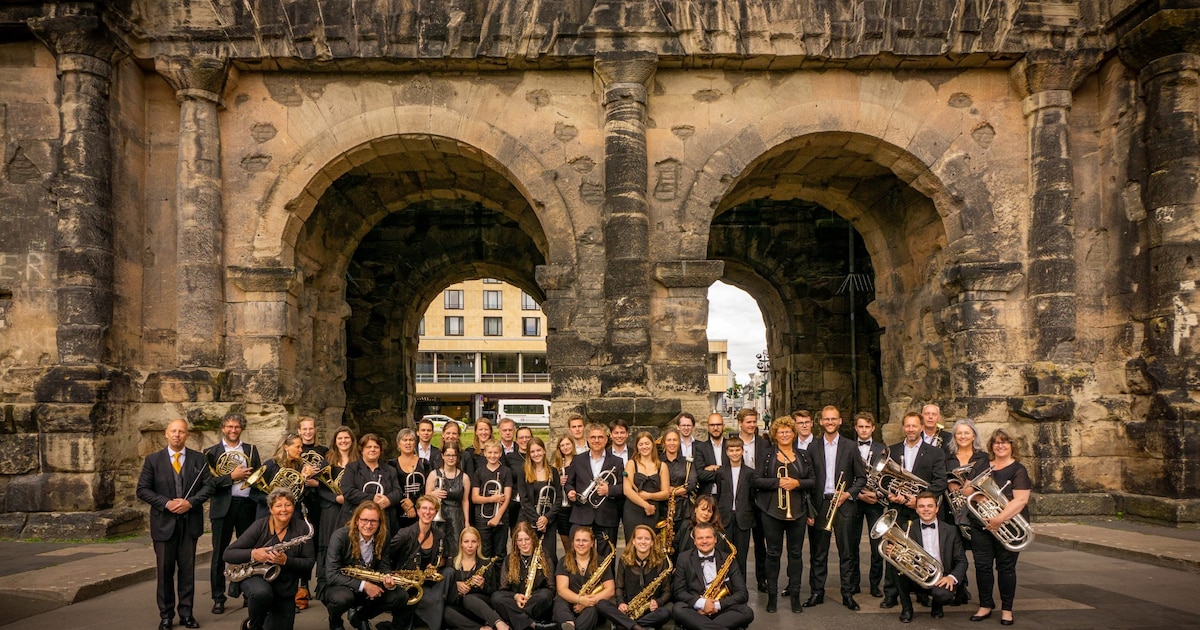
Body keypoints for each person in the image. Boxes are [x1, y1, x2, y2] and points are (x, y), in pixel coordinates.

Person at [137, 419, 213, 630]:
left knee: (187, 572)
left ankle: (187, 614)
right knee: (164, 572)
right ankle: (166, 616)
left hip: (189, 525)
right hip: (163, 525)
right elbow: (142, 490)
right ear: (166, 433)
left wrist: (190, 502)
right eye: (173, 431)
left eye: (181, 431)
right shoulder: (153, 460)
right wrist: (166, 503)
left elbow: (208, 487)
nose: (177, 435)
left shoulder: (199, 459)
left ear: (187, 435)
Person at [881, 411, 948, 609]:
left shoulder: (935, 452)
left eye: (914, 426)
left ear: (921, 427)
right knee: (893, 550)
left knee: (922, 550)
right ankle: (891, 593)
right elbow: (883, 481)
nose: (911, 429)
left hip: (922, 510)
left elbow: (940, 482)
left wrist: (918, 501)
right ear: (903, 427)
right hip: (898, 509)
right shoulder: (892, 450)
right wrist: (892, 495)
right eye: (907, 426)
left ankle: (922, 592)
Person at [223, 489, 315, 630]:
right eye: (278, 505)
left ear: (293, 507)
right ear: (271, 509)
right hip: (255, 576)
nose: (283, 509)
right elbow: (228, 554)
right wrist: (254, 553)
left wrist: (286, 561)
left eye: (288, 505)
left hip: (285, 586)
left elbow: (309, 562)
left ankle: (262, 619)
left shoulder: (302, 528)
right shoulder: (260, 525)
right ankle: (253, 625)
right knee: (261, 593)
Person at [805, 405, 868, 611]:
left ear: (840, 421)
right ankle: (817, 592)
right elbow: (808, 479)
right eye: (826, 419)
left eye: (834, 419)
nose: (830, 422)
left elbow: (861, 478)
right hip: (821, 503)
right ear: (821, 422)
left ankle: (848, 594)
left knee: (847, 552)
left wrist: (848, 494)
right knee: (818, 552)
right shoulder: (812, 447)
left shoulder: (850, 446)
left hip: (844, 503)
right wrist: (809, 509)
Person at [752, 416, 814, 613]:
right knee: (773, 553)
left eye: (788, 431)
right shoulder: (767, 455)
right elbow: (756, 480)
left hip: (798, 511)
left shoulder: (803, 455)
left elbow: (813, 481)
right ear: (775, 435)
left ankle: (795, 597)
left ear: (793, 434)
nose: (785, 435)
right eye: (781, 432)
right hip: (772, 511)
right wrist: (778, 482)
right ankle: (772, 597)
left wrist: (797, 483)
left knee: (796, 554)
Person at [970, 429, 1031, 626]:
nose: (1000, 446)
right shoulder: (982, 465)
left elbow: (1021, 500)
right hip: (981, 524)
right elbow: (966, 489)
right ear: (991, 446)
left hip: (1009, 525)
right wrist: (979, 496)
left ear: (1012, 445)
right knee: (982, 566)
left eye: (1004, 442)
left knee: (1006, 568)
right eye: (996, 442)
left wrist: (999, 519)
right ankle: (985, 605)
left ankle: (1007, 609)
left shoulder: (1018, 469)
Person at [204, 411, 261, 615]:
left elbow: (258, 476)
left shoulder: (251, 450)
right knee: (219, 553)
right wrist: (231, 476)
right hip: (222, 507)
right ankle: (218, 597)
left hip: (246, 505)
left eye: (236, 426)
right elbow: (208, 483)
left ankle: (248, 593)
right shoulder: (210, 452)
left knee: (248, 552)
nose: (233, 430)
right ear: (223, 428)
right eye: (229, 426)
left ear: (242, 428)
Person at [323, 501, 406, 630]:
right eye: (364, 520)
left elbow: (384, 565)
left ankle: (359, 618)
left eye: (373, 521)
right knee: (342, 599)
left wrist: (387, 579)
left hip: (369, 582)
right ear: (357, 520)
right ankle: (335, 622)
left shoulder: (384, 535)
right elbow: (331, 575)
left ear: (379, 522)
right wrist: (364, 586)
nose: (368, 525)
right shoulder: (340, 536)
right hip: (340, 585)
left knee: (399, 596)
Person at [891, 492, 969, 623]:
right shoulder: (908, 527)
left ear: (936, 509)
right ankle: (907, 609)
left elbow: (962, 561)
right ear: (916, 509)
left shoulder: (951, 530)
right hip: (917, 574)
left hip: (940, 577)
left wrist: (951, 577)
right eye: (921, 506)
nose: (926, 509)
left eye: (930, 506)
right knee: (896, 567)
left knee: (944, 595)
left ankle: (937, 606)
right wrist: (894, 553)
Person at [670, 522, 754, 630]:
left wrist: (716, 605)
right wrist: (702, 603)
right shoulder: (683, 558)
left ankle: (700, 626)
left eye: (708, 537)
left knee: (746, 611)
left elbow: (742, 593)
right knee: (678, 609)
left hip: (721, 609)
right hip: (696, 610)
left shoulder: (728, 559)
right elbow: (679, 592)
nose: (704, 541)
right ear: (694, 541)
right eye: (700, 538)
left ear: (715, 539)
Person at [388, 495, 452, 630]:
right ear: (417, 510)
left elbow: (443, 559)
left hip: (426, 580)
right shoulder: (405, 534)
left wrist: (438, 564)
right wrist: (391, 576)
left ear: (435, 512)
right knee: (435, 599)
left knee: (448, 574)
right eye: (424, 508)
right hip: (407, 582)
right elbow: (387, 556)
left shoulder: (439, 535)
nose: (427, 512)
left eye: (431, 509)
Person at [596, 524, 673, 630]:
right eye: (639, 538)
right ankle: (639, 627)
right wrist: (621, 603)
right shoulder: (624, 560)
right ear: (633, 541)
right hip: (628, 608)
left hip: (650, 611)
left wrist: (658, 602)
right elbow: (619, 587)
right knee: (601, 604)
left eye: (647, 539)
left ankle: (626, 625)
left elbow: (667, 591)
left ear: (652, 542)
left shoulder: (661, 562)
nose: (643, 542)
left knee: (665, 612)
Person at [847, 411, 887, 599]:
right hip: (855, 500)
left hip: (874, 501)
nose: (863, 430)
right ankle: (853, 583)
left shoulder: (883, 449)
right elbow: (844, 474)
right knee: (852, 543)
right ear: (855, 428)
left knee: (876, 543)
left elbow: (887, 478)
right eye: (860, 426)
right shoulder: (847, 447)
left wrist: (876, 494)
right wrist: (859, 494)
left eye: (867, 427)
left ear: (873, 428)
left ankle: (875, 584)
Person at [315, 425, 358, 600]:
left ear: (352, 440)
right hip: (332, 508)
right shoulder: (327, 460)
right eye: (340, 438)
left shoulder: (358, 460)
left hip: (352, 507)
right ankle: (324, 583)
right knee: (329, 543)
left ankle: (348, 579)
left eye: (346, 438)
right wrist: (335, 498)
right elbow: (321, 489)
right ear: (335, 441)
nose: (343, 441)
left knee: (349, 542)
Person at [566, 424, 625, 549]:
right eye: (593, 437)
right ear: (587, 439)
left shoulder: (617, 461)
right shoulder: (578, 460)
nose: (596, 440)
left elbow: (624, 487)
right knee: (578, 553)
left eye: (600, 437)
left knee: (607, 556)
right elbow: (569, 483)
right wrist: (570, 491)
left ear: (606, 439)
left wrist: (609, 490)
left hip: (606, 516)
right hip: (581, 514)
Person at [492, 522, 557, 630]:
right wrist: (516, 596)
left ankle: (515, 620)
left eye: (527, 539)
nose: (523, 543)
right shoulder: (509, 559)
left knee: (545, 595)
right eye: (520, 540)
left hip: (534, 601)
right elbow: (503, 589)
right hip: (515, 601)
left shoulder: (544, 556)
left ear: (533, 539)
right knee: (496, 597)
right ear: (515, 542)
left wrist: (532, 597)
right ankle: (531, 624)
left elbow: (551, 588)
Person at [444, 527, 510, 630]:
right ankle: (480, 628)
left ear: (478, 543)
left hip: (480, 609)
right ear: (461, 543)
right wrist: (455, 585)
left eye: (473, 541)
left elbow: (494, 592)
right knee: (445, 612)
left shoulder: (486, 563)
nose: (470, 545)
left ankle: (499, 623)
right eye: (466, 542)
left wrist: (483, 585)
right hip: (461, 609)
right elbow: (444, 592)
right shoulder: (451, 563)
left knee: (468, 599)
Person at [733, 409, 770, 593]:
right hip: (740, 497)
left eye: (754, 422)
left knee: (760, 541)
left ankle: (762, 579)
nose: (752, 425)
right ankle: (737, 582)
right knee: (739, 542)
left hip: (759, 496)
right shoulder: (732, 443)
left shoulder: (764, 444)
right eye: (748, 422)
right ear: (740, 423)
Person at [553, 527, 615, 630]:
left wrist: (589, 602)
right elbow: (562, 589)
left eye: (585, 540)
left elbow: (610, 590)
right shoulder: (564, 561)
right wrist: (580, 599)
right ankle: (569, 623)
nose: (580, 544)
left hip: (591, 605)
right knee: (559, 602)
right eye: (577, 540)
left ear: (592, 543)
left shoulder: (601, 562)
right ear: (573, 542)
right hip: (570, 603)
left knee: (593, 609)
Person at [714, 437, 756, 582]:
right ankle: (725, 586)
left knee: (741, 555)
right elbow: (719, 493)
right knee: (724, 554)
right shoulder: (721, 472)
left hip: (743, 517)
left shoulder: (750, 472)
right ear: (726, 452)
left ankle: (740, 586)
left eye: (737, 450)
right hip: (725, 517)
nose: (734, 453)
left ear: (742, 451)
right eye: (731, 450)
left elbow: (752, 496)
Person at [339, 433, 402, 531]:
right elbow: (348, 491)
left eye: (376, 447)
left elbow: (398, 492)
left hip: (384, 520)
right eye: (368, 447)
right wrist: (372, 498)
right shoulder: (351, 468)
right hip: (356, 519)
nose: (372, 450)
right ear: (362, 450)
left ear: (380, 450)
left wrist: (388, 499)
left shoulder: (390, 470)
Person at [518, 437, 560, 565]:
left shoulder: (553, 472)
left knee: (548, 555)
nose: (536, 454)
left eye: (538, 450)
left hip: (548, 521)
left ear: (544, 451)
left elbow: (558, 498)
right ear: (529, 454)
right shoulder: (523, 472)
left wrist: (546, 518)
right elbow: (524, 500)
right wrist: (537, 519)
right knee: (528, 554)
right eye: (532, 451)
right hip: (529, 519)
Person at [622, 431, 670, 543]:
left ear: (652, 445)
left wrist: (649, 496)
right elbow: (627, 490)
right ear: (637, 447)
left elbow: (665, 493)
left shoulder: (662, 466)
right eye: (641, 444)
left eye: (647, 443)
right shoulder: (631, 463)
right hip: (633, 510)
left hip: (653, 511)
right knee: (632, 544)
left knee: (651, 544)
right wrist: (645, 505)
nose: (644, 447)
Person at [256, 433, 315, 519]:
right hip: (268, 513)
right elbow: (254, 494)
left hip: (292, 514)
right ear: (286, 447)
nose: (301, 450)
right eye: (297, 447)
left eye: (301, 447)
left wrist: (303, 479)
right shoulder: (270, 465)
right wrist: (275, 500)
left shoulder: (299, 466)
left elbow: (300, 495)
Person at [473, 439, 514, 559]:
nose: (493, 455)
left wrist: (497, 517)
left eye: (496, 452)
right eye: (490, 452)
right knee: (484, 553)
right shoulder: (479, 472)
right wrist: (492, 499)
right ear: (485, 453)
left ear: (500, 453)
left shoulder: (506, 471)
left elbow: (507, 497)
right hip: (482, 518)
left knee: (500, 553)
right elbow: (474, 498)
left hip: (501, 518)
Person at [428, 439, 472, 548]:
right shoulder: (434, 475)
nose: (451, 458)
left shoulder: (464, 477)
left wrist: (467, 521)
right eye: (448, 455)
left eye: (454, 455)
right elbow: (426, 497)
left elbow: (465, 501)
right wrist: (433, 494)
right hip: (438, 517)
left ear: (458, 457)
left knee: (456, 549)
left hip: (457, 518)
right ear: (442, 456)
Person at [390, 427, 432, 530]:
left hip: (421, 509)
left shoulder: (424, 463)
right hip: (398, 511)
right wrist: (407, 506)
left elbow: (428, 486)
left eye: (411, 440)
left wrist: (412, 501)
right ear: (398, 444)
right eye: (405, 440)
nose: (408, 443)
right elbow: (392, 487)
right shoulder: (391, 464)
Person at [659, 428, 697, 529]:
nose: (672, 443)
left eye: (675, 440)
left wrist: (671, 492)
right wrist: (680, 491)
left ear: (679, 442)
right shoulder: (657, 462)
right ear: (664, 442)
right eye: (669, 440)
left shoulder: (687, 462)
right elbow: (654, 483)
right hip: (662, 509)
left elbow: (692, 483)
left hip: (684, 510)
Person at [673, 494, 725, 559]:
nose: (706, 513)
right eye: (703, 509)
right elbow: (675, 547)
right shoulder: (686, 525)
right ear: (695, 509)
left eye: (709, 511)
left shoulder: (717, 533)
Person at [552, 435, 577, 557]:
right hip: (562, 508)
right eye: (562, 445)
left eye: (568, 444)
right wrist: (557, 480)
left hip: (576, 507)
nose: (565, 447)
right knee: (567, 544)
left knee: (578, 540)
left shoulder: (580, 461)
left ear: (572, 445)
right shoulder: (556, 465)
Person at [693, 414, 726, 496]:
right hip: (707, 496)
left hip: (727, 495)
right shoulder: (700, 448)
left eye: (718, 425)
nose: (715, 428)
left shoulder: (731, 446)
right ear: (707, 427)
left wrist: (714, 468)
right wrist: (724, 472)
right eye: (712, 425)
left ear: (723, 426)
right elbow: (699, 474)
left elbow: (736, 471)